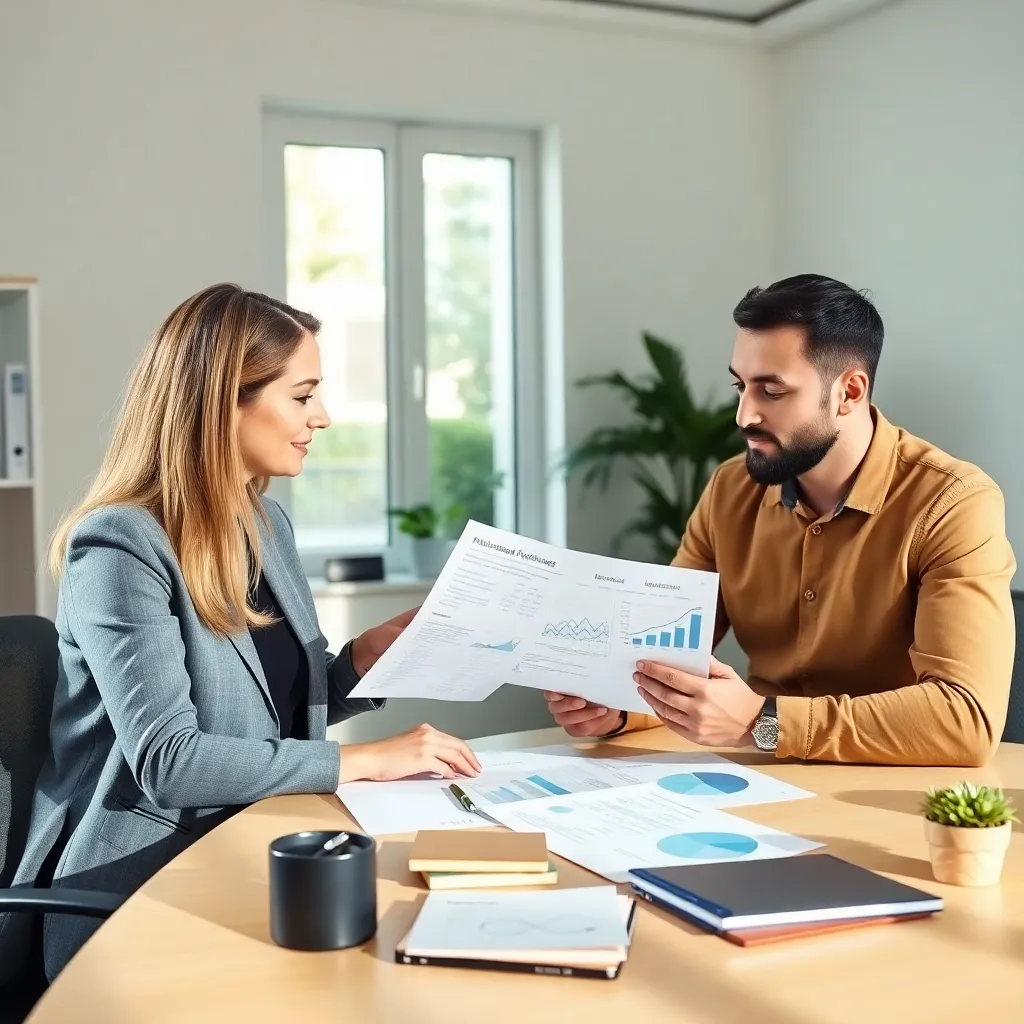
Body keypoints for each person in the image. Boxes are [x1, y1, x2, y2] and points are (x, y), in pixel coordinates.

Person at [0, 284, 482, 981]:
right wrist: (366, 759)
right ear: (225, 399)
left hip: (259, 843)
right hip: (138, 885)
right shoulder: (120, 546)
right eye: (303, 395)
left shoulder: (265, 526)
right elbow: (171, 759)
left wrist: (360, 668)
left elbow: (263, 711)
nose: (323, 417)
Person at [545, 274, 1015, 767]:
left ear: (849, 392)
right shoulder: (730, 490)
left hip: (894, 794)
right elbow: (666, 655)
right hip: (754, 783)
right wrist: (616, 708)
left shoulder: (953, 503)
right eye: (740, 386)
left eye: (771, 391)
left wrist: (762, 722)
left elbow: (965, 717)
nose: (744, 415)